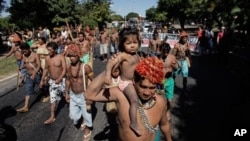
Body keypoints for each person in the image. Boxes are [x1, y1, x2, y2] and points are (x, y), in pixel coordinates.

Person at [85, 57, 172, 141]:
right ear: (134, 81)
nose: (147, 93)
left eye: (152, 88)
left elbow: (164, 125)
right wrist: (108, 70)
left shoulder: (160, 102)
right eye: (143, 86)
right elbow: (89, 94)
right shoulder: (121, 95)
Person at [104, 27, 142, 136]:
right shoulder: (123, 55)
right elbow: (111, 63)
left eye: (135, 42)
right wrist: (107, 74)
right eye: (128, 43)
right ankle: (133, 123)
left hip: (135, 81)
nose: (132, 45)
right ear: (122, 44)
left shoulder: (137, 55)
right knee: (134, 100)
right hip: (126, 83)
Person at [64, 43, 94, 141]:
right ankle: (83, 120)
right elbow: (68, 80)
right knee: (73, 116)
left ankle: (87, 130)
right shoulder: (68, 67)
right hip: (73, 95)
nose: (71, 58)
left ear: (78, 55)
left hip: (83, 95)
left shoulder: (85, 67)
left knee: (87, 115)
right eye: (70, 56)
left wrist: (91, 96)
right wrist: (66, 93)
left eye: (73, 55)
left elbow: (93, 81)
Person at [39, 42, 66, 125]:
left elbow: (65, 69)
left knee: (68, 98)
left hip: (62, 81)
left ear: (55, 50)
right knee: (52, 100)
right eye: (48, 50)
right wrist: (42, 80)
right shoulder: (47, 58)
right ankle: (52, 116)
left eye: (50, 50)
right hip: (52, 82)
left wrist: (60, 78)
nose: (48, 51)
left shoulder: (61, 57)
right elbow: (46, 69)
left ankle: (77, 112)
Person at [16, 43, 41, 112]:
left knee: (41, 86)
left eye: (25, 51)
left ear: (28, 49)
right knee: (28, 90)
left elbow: (39, 66)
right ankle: (26, 107)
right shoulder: (24, 56)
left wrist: (34, 74)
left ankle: (46, 94)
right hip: (28, 75)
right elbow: (26, 64)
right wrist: (21, 68)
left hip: (36, 75)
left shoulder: (35, 55)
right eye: (23, 51)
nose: (24, 53)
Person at [171, 31, 191, 95]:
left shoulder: (187, 44)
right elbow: (173, 55)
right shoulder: (176, 45)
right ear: (181, 38)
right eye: (184, 38)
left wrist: (188, 61)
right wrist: (175, 62)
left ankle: (184, 90)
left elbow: (188, 54)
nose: (185, 39)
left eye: (186, 37)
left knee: (185, 76)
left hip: (184, 61)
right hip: (177, 61)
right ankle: (172, 87)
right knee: (174, 75)